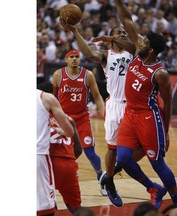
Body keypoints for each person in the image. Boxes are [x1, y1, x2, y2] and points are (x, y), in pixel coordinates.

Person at [59, 20, 145, 207]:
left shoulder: (133, 52)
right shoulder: (106, 55)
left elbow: (139, 42)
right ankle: (111, 184)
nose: (123, 34)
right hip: (115, 104)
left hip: (133, 106)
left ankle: (110, 173)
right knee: (112, 149)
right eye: (118, 32)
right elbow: (89, 53)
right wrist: (75, 31)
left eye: (124, 32)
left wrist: (123, 33)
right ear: (111, 38)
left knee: (144, 147)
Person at [112, 0, 177, 209]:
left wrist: (167, 131)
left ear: (151, 50)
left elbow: (168, 103)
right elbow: (126, 19)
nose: (138, 44)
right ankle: (153, 188)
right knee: (123, 158)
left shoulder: (159, 73)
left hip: (148, 117)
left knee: (157, 163)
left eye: (143, 44)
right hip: (130, 114)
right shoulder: (139, 53)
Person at [51, 49, 105, 194]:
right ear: (66, 60)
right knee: (63, 152)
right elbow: (54, 98)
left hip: (82, 119)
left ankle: (101, 176)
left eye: (77, 57)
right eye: (71, 57)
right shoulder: (58, 75)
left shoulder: (88, 75)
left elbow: (98, 96)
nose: (74, 59)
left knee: (90, 153)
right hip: (64, 119)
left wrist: (104, 113)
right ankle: (67, 173)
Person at [37, 82, 83, 214]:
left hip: (49, 164)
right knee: (76, 208)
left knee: (45, 203)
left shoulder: (39, 119)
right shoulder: (68, 119)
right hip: (68, 164)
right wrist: (69, 162)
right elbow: (79, 149)